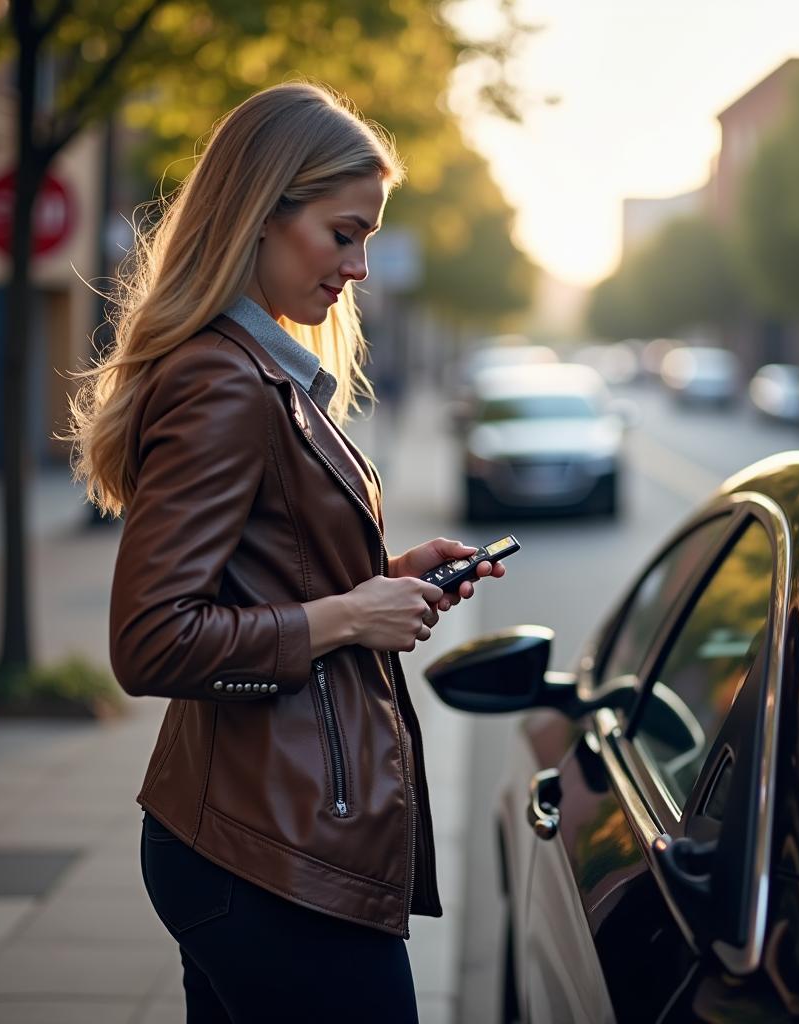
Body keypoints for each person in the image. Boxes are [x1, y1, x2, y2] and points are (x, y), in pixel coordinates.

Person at [66, 81, 504, 1022]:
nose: (359, 266)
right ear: (264, 215)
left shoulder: (266, 373)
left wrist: (382, 582)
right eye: (343, 233)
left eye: (369, 239)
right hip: (265, 854)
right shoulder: (227, 384)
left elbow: (258, 576)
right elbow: (152, 641)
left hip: (262, 833)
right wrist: (351, 615)